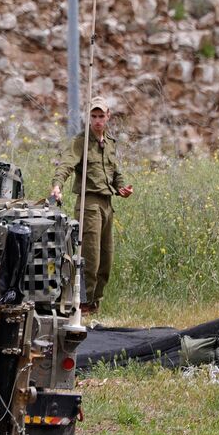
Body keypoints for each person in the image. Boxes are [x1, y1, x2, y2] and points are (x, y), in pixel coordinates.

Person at [51, 96, 133, 314]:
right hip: (89, 204)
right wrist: (57, 185)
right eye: (93, 116)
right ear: (88, 117)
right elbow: (66, 164)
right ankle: (83, 301)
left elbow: (116, 173)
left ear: (108, 117)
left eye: (101, 116)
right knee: (91, 256)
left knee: (107, 257)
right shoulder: (81, 142)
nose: (97, 120)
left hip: (107, 203)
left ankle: (95, 300)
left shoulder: (110, 143)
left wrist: (123, 188)